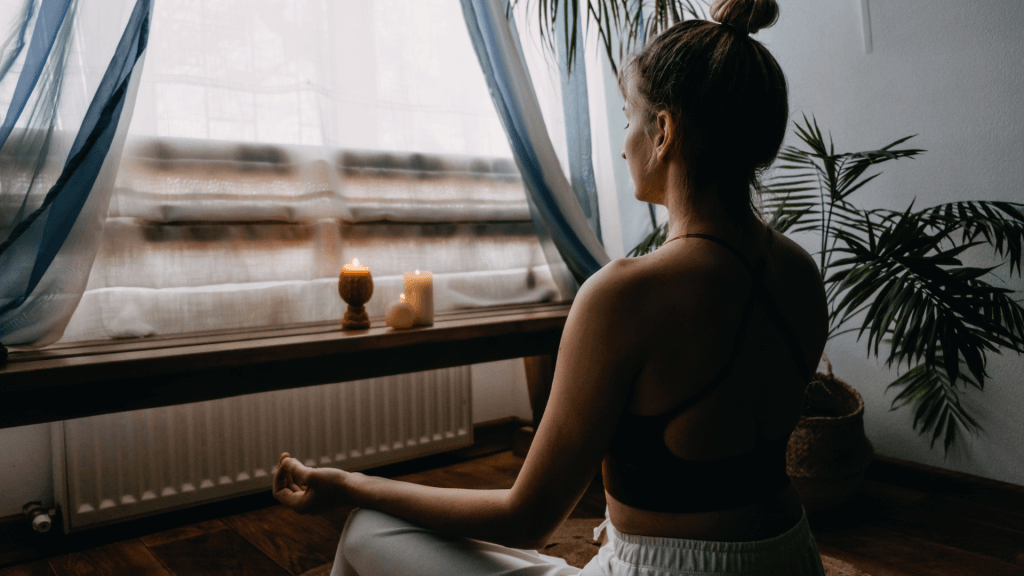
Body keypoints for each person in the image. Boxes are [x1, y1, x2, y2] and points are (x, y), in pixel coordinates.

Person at [273, 0, 829, 573]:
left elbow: (526, 519)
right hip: (791, 556)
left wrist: (350, 484)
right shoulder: (799, 273)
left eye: (627, 118)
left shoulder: (625, 295)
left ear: (663, 131)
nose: (622, 143)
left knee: (370, 525)